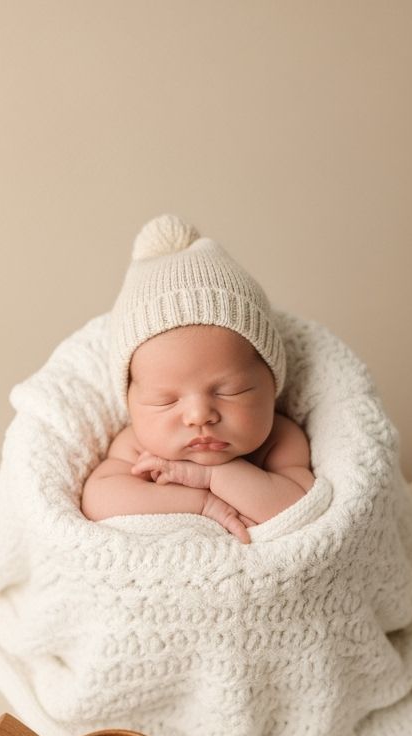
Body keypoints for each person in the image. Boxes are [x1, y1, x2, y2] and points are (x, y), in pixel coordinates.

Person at [81, 215, 314, 543]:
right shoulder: (138, 446)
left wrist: (213, 476)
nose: (199, 415)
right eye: (166, 399)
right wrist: (201, 502)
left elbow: (297, 507)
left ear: (272, 384)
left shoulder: (280, 438)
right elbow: (100, 499)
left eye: (232, 390)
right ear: (131, 403)